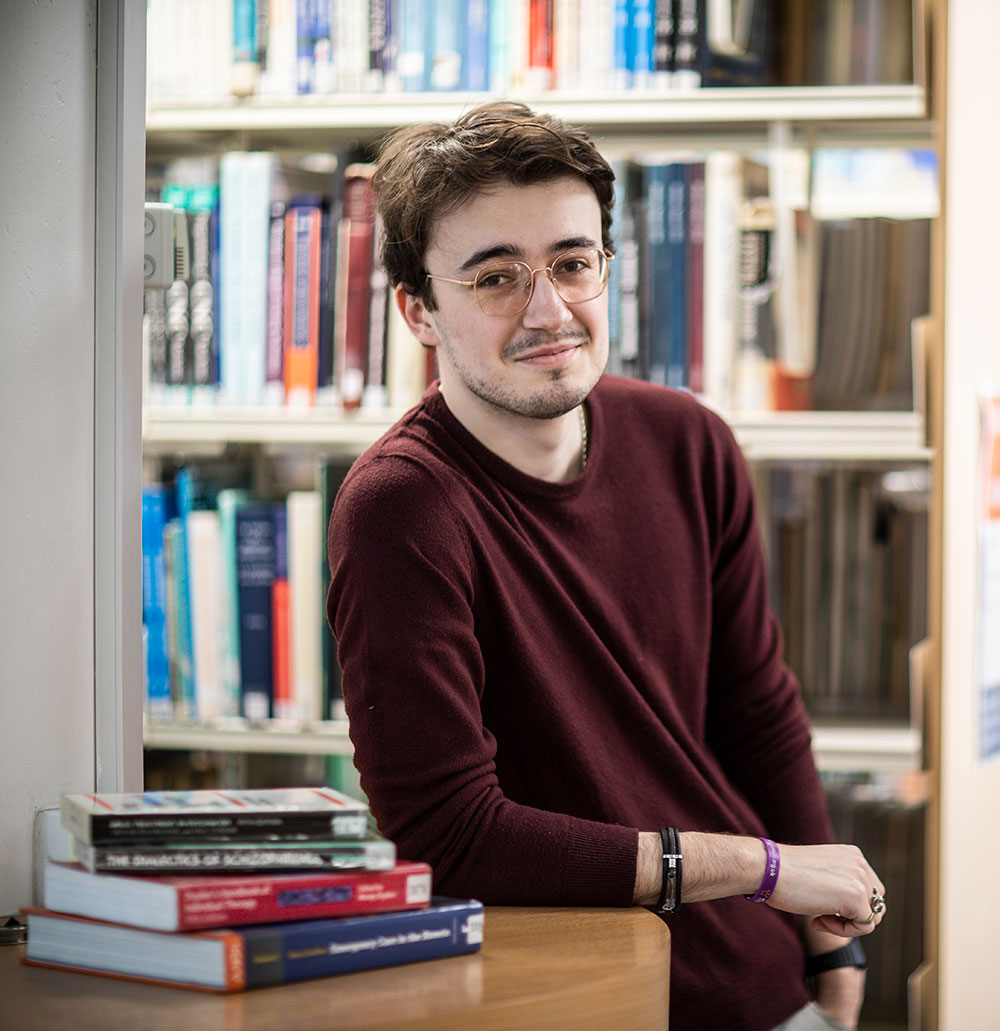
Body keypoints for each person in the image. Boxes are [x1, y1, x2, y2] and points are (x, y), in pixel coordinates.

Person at [327, 101, 885, 1031]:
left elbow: (756, 708)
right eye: (495, 276)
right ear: (418, 311)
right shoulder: (402, 509)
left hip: (764, 979)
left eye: (573, 264)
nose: (548, 312)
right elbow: (452, 837)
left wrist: (834, 942)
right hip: (567, 1002)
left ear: (608, 270)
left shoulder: (688, 441)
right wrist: (763, 866)